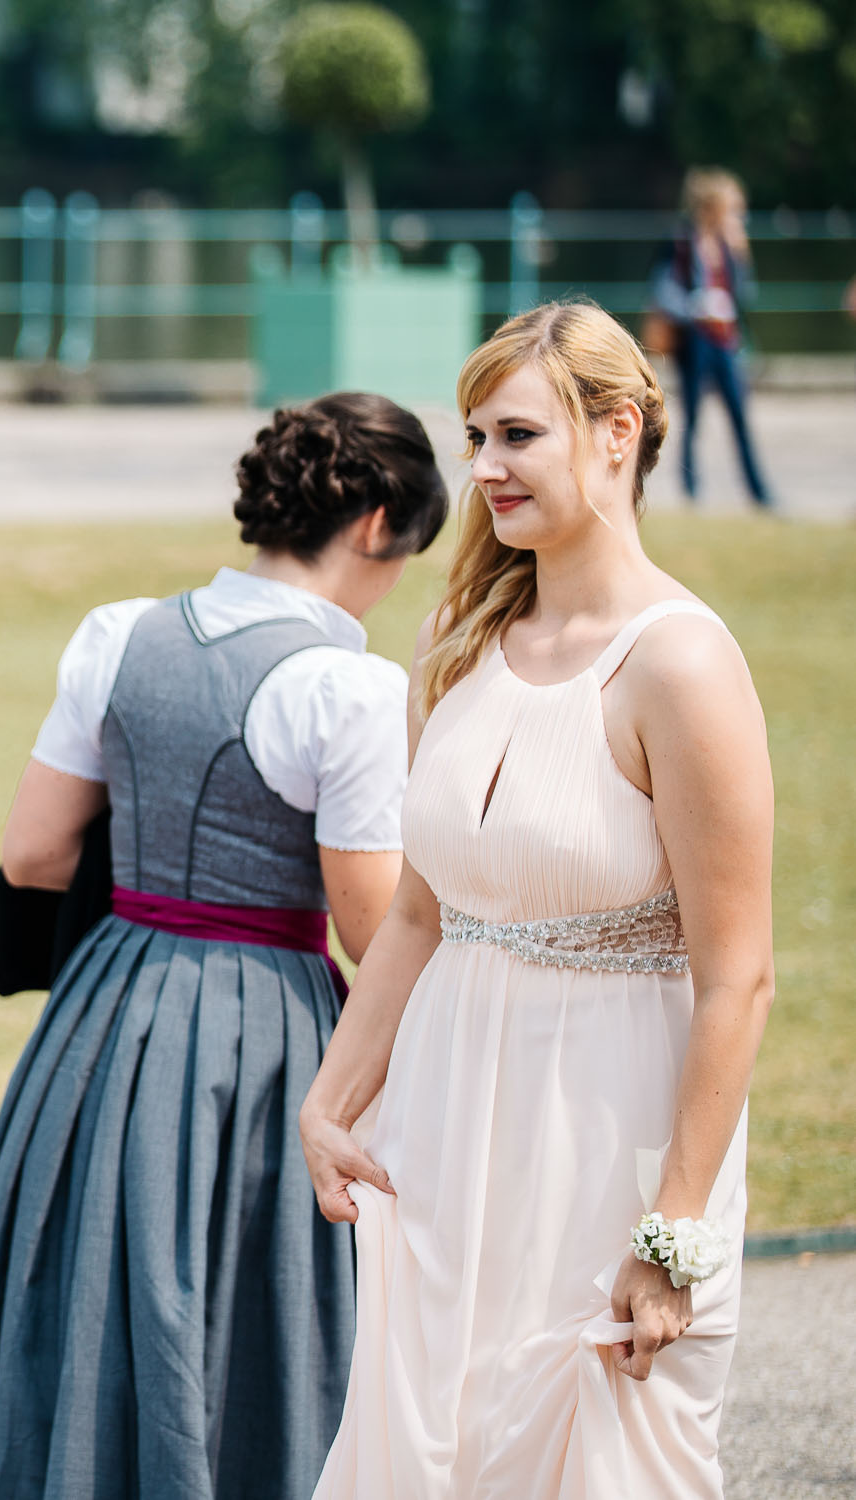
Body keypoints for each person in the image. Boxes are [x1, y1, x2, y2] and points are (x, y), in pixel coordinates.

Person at [0, 392, 449, 1500]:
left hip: (106, 1007)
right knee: (247, 1316)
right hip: (263, 1025)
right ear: (375, 523)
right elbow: (372, 926)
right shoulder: (349, 689)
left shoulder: (119, 633)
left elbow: (32, 855)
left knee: (92, 1292)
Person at [302, 302, 774, 1496]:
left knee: (602, 1459)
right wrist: (331, 1096)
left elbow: (739, 977)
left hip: (608, 1140)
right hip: (446, 1135)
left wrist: (674, 1235)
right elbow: (419, 913)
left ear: (616, 433)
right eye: (475, 437)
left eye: (517, 435)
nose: (483, 468)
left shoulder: (681, 663)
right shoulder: (456, 638)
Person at [649, 168, 773, 508]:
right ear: (712, 206)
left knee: (739, 416)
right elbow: (662, 289)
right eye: (731, 207)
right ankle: (691, 492)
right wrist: (695, 307)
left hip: (726, 341)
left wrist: (740, 253)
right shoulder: (680, 241)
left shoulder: (729, 244)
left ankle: (760, 493)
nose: (737, 215)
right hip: (694, 341)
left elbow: (745, 295)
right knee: (692, 418)